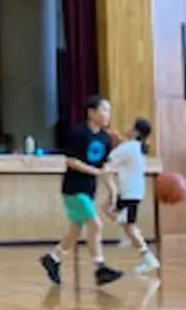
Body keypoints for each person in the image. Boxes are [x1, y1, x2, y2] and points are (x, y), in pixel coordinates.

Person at [39, 95, 123, 288]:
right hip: (74, 189)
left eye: (109, 111)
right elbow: (71, 161)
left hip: (89, 190)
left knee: (75, 231)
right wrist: (95, 171)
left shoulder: (105, 138)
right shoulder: (79, 134)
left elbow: (105, 168)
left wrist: (113, 192)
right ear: (91, 113)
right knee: (96, 226)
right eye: (104, 110)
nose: (107, 115)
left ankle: (53, 258)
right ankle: (100, 267)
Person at [106, 117, 161, 274]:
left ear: (136, 131)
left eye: (130, 124)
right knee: (108, 210)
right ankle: (129, 234)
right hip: (130, 192)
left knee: (128, 225)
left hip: (130, 194)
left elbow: (109, 159)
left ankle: (148, 258)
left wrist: (111, 140)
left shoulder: (129, 146)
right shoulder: (134, 147)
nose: (127, 125)